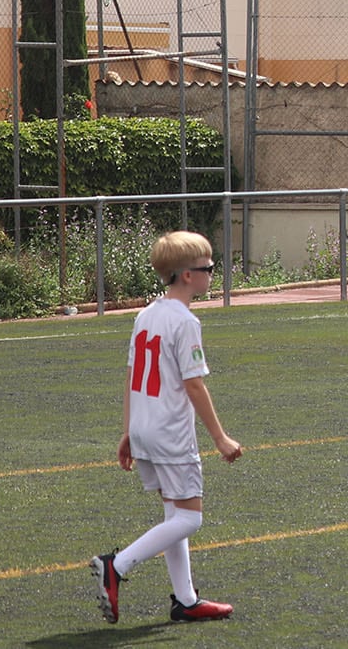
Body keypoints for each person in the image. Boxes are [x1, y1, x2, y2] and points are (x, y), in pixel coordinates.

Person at [92, 231, 244, 624]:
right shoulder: (185, 321)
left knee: (174, 515)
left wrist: (128, 431)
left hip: (145, 428)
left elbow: (130, 376)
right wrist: (220, 438)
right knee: (190, 518)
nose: (212, 273)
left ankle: (186, 599)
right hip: (170, 432)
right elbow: (194, 384)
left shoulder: (146, 314)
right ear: (187, 276)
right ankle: (118, 565)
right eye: (208, 268)